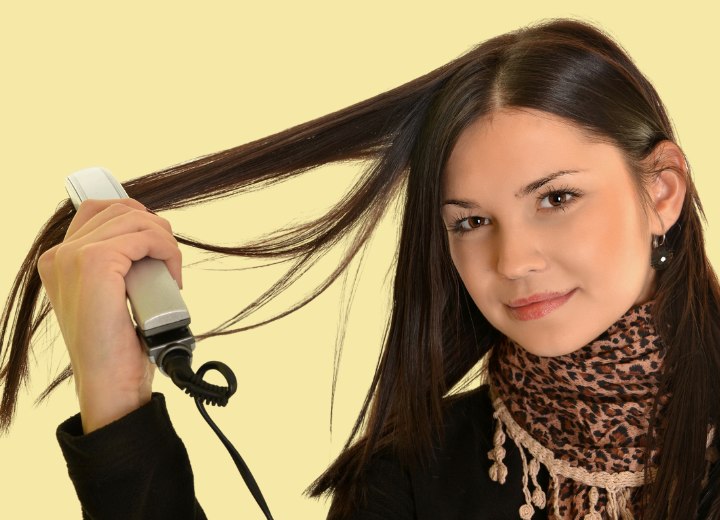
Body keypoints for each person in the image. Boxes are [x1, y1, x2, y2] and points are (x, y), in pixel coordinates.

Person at [1, 17, 719, 519]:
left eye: (557, 198)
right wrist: (116, 396)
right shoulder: (406, 476)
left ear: (661, 190)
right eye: (470, 221)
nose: (514, 260)